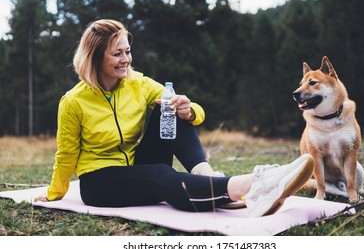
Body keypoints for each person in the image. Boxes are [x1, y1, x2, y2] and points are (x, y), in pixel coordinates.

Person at [34, 19, 314, 217]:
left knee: (169, 106)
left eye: (128, 51)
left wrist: (188, 109)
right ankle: (252, 186)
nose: (126, 60)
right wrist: (54, 193)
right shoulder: (73, 101)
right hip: (101, 182)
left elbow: (194, 114)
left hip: (137, 164)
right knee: (161, 175)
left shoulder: (138, 83)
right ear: (95, 58)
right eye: (117, 54)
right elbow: (67, 154)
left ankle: (208, 178)